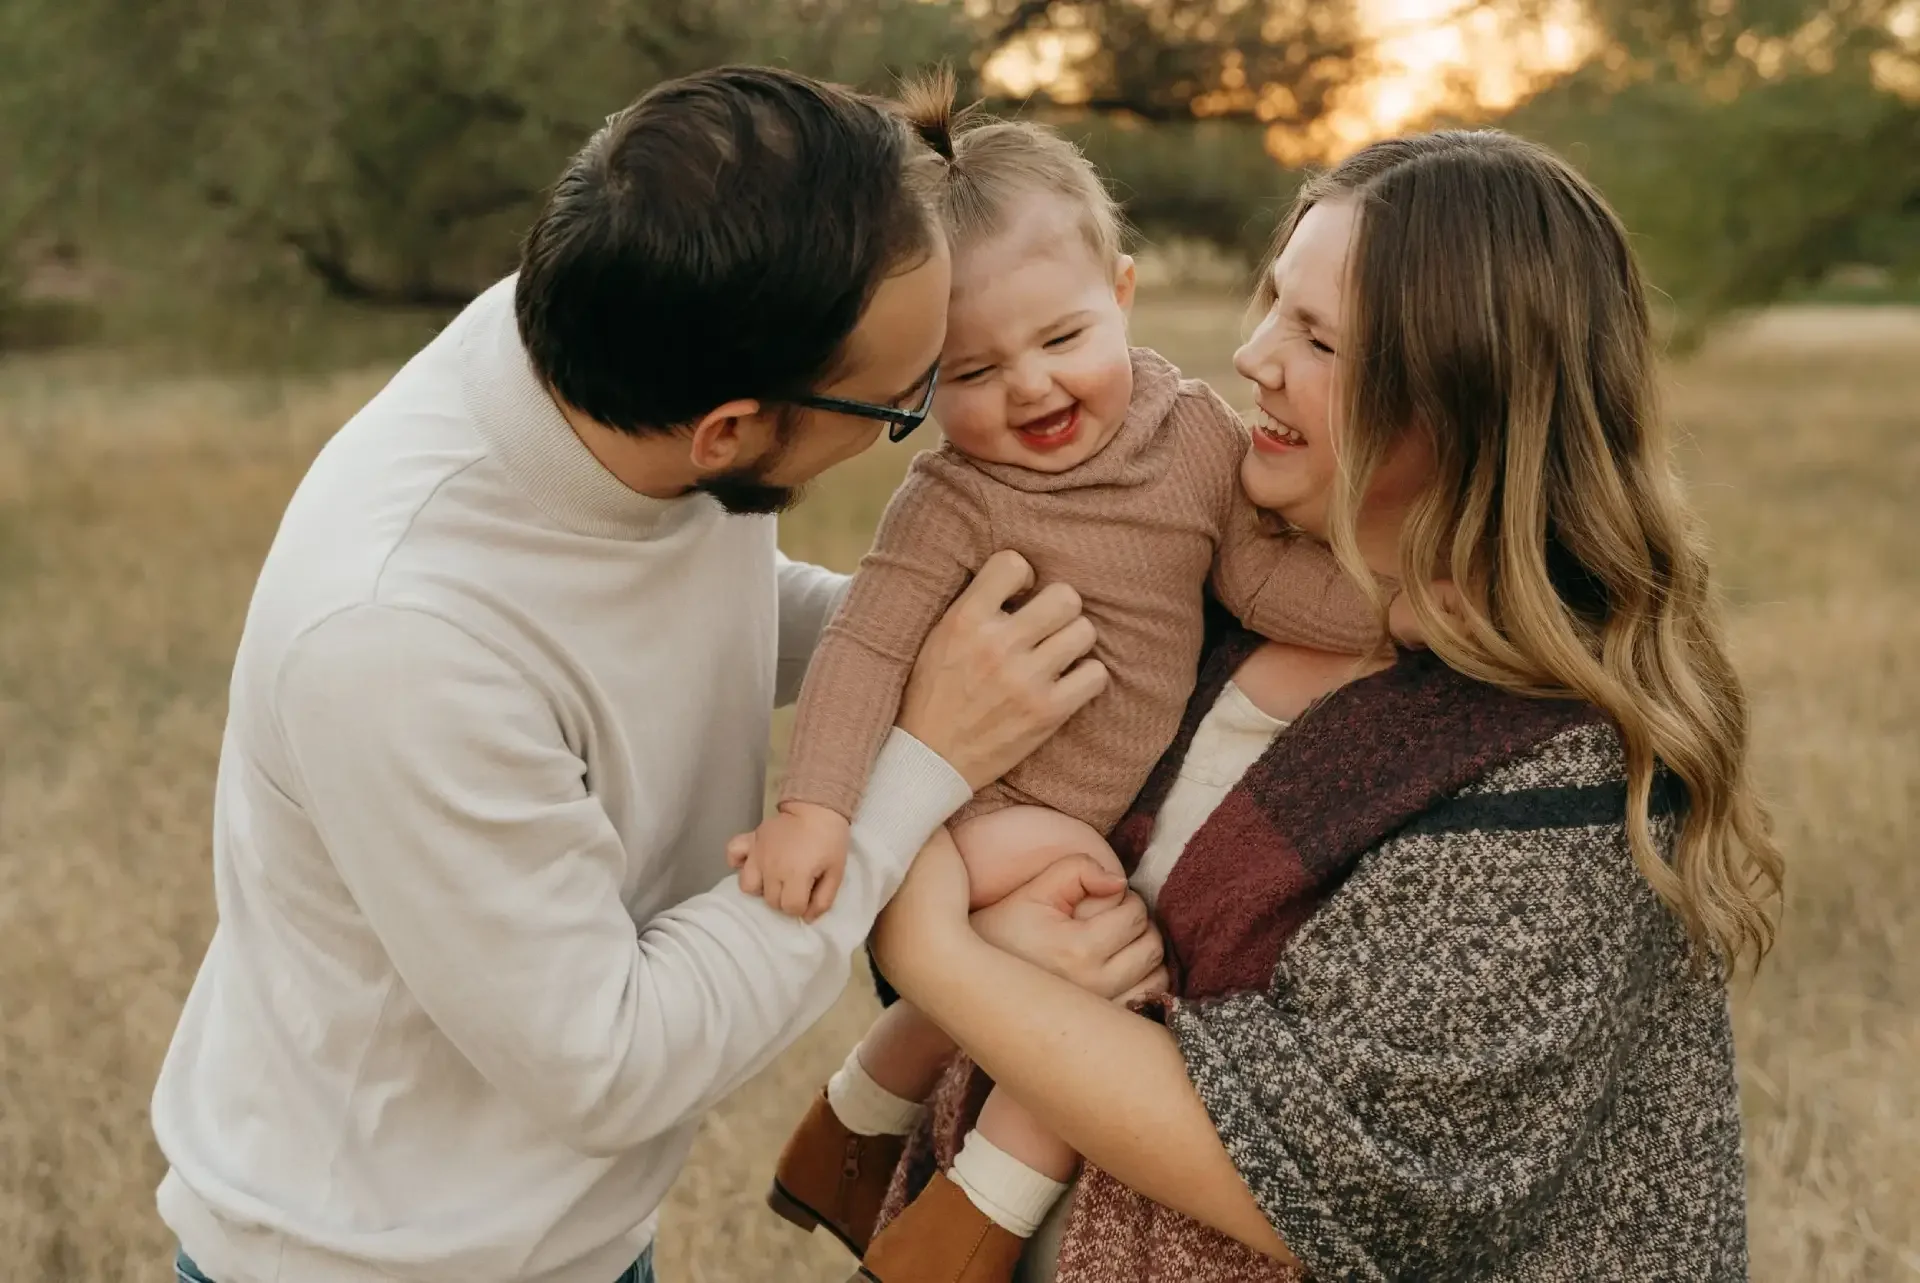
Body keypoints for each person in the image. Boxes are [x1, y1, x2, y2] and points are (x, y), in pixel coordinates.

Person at [147, 65, 1158, 1283]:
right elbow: (610, 1063)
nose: (935, 410)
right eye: (905, 405)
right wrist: (923, 759)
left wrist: (929, 642)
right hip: (386, 1258)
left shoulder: (631, 345)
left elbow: (698, 611)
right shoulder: (398, 645)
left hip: (581, 1240)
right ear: (728, 433)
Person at [863, 129, 1784, 1282]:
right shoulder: (1203, 603)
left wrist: (936, 948)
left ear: (1458, 395)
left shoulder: (1557, 762)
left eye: (1317, 337)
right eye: (1271, 306)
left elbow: (1324, 1173)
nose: (1253, 356)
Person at [736, 75, 1421, 1282]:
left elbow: (1258, 583)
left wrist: (1399, 615)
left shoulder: (1193, 431)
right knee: (1110, 950)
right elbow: (865, 647)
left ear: (1121, 296)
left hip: (1062, 807)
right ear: (917, 382)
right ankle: (963, 1231)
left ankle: (854, 1121)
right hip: (985, 809)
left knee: (1046, 951)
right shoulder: (952, 498)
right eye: (974, 371)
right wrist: (815, 806)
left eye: (1061, 340)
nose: (1033, 388)